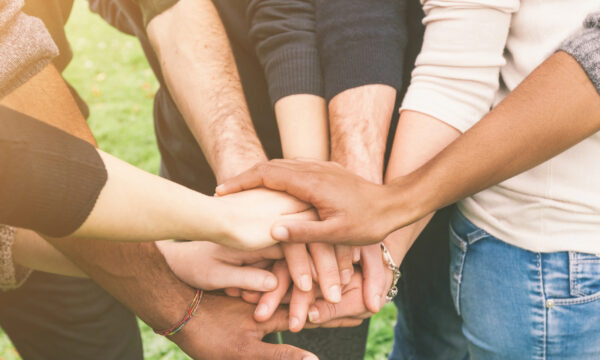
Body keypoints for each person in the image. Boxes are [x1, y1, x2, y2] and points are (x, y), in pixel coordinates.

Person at [217, 7, 600, 359]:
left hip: (518, 231)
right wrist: (381, 239)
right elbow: (454, 73)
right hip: (540, 249)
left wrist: (387, 212)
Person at [0, 1, 352, 358]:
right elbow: (9, 65)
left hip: (54, 217)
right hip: (45, 183)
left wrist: (241, 169)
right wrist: (216, 228)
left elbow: (170, 5)